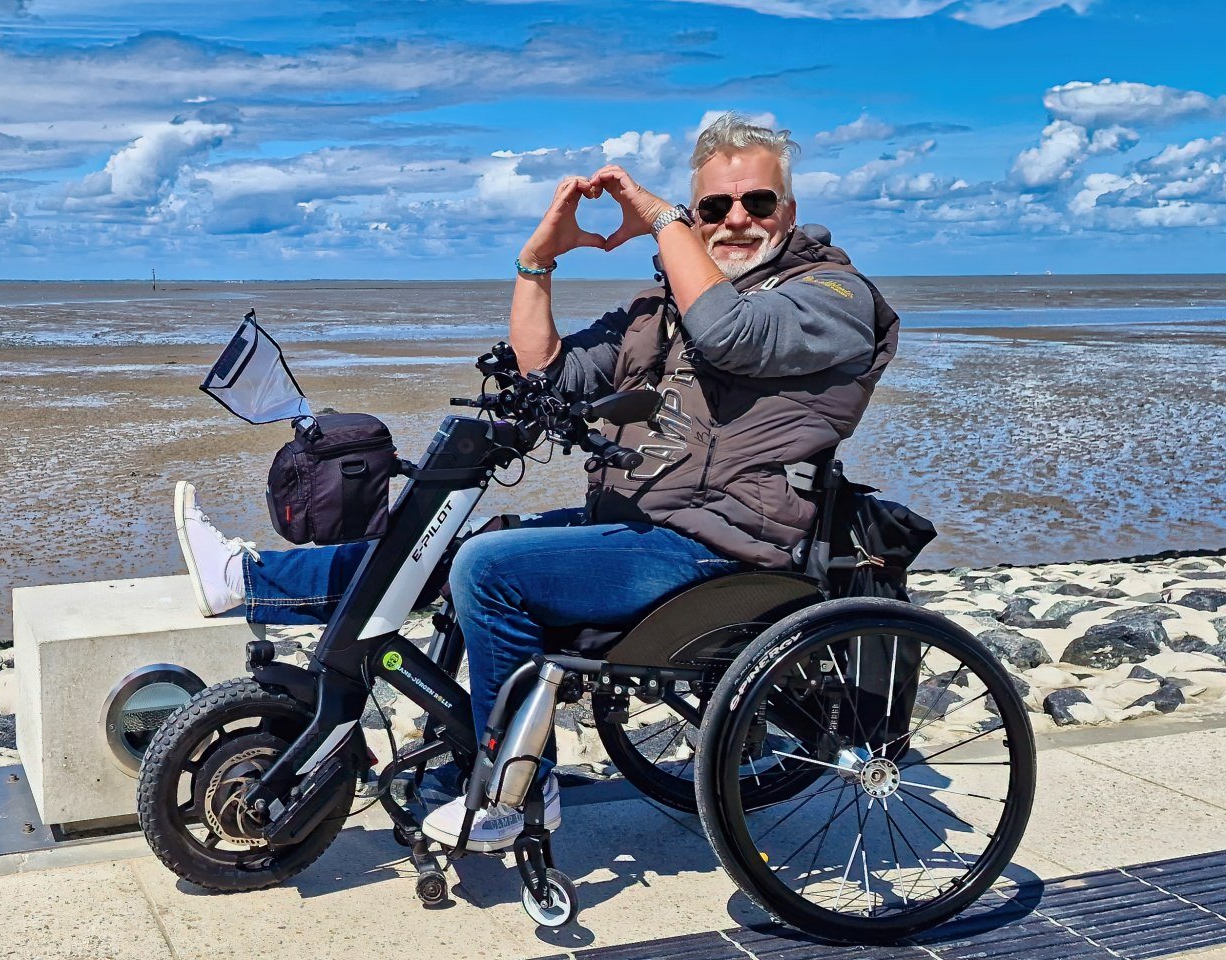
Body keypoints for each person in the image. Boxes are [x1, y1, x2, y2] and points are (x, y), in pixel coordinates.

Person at [173, 113, 900, 851]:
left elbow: (734, 334)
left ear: (790, 211)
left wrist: (661, 219)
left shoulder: (832, 296)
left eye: (756, 203)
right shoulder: (668, 306)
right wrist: (537, 261)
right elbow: (545, 368)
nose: (734, 220)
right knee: (458, 541)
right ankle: (253, 579)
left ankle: (519, 793)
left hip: (723, 550)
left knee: (491, 571)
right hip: (642, 530)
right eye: (714, 208)